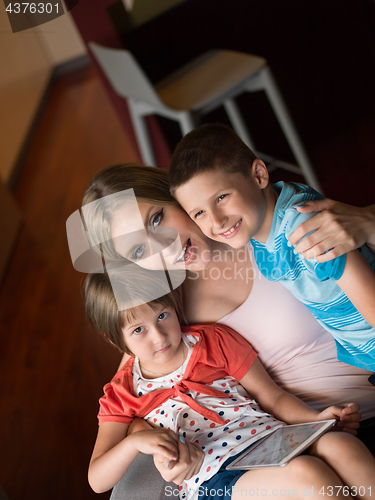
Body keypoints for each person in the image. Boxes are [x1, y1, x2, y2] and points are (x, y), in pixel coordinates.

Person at [79, 163, 375, 500]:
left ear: (176, 196)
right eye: (138, 250)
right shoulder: (165, 311)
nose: (164, 245)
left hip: (340, 421)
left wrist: (369, 223)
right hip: (298, 436)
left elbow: (346, 234)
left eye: (157, 218)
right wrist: (148, 439)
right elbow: (139, 389)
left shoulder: (247, 216)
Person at [85, 269, 374, 500]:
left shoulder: (213, 340)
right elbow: (98, 480)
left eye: (162, 316)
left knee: (341, 446)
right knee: (306, 474)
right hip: (218, 479)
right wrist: (135, 442)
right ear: (116, 340)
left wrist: (315, 420)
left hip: (273, 441)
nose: (159, 336)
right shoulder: (122, 393)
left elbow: (271, 397)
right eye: (139, 330)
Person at [168, 124, 375, 374]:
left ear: (258, 176)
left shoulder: (304, 229)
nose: (216, 221)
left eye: (221, 197)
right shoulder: (261, 225)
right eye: (199, 213)